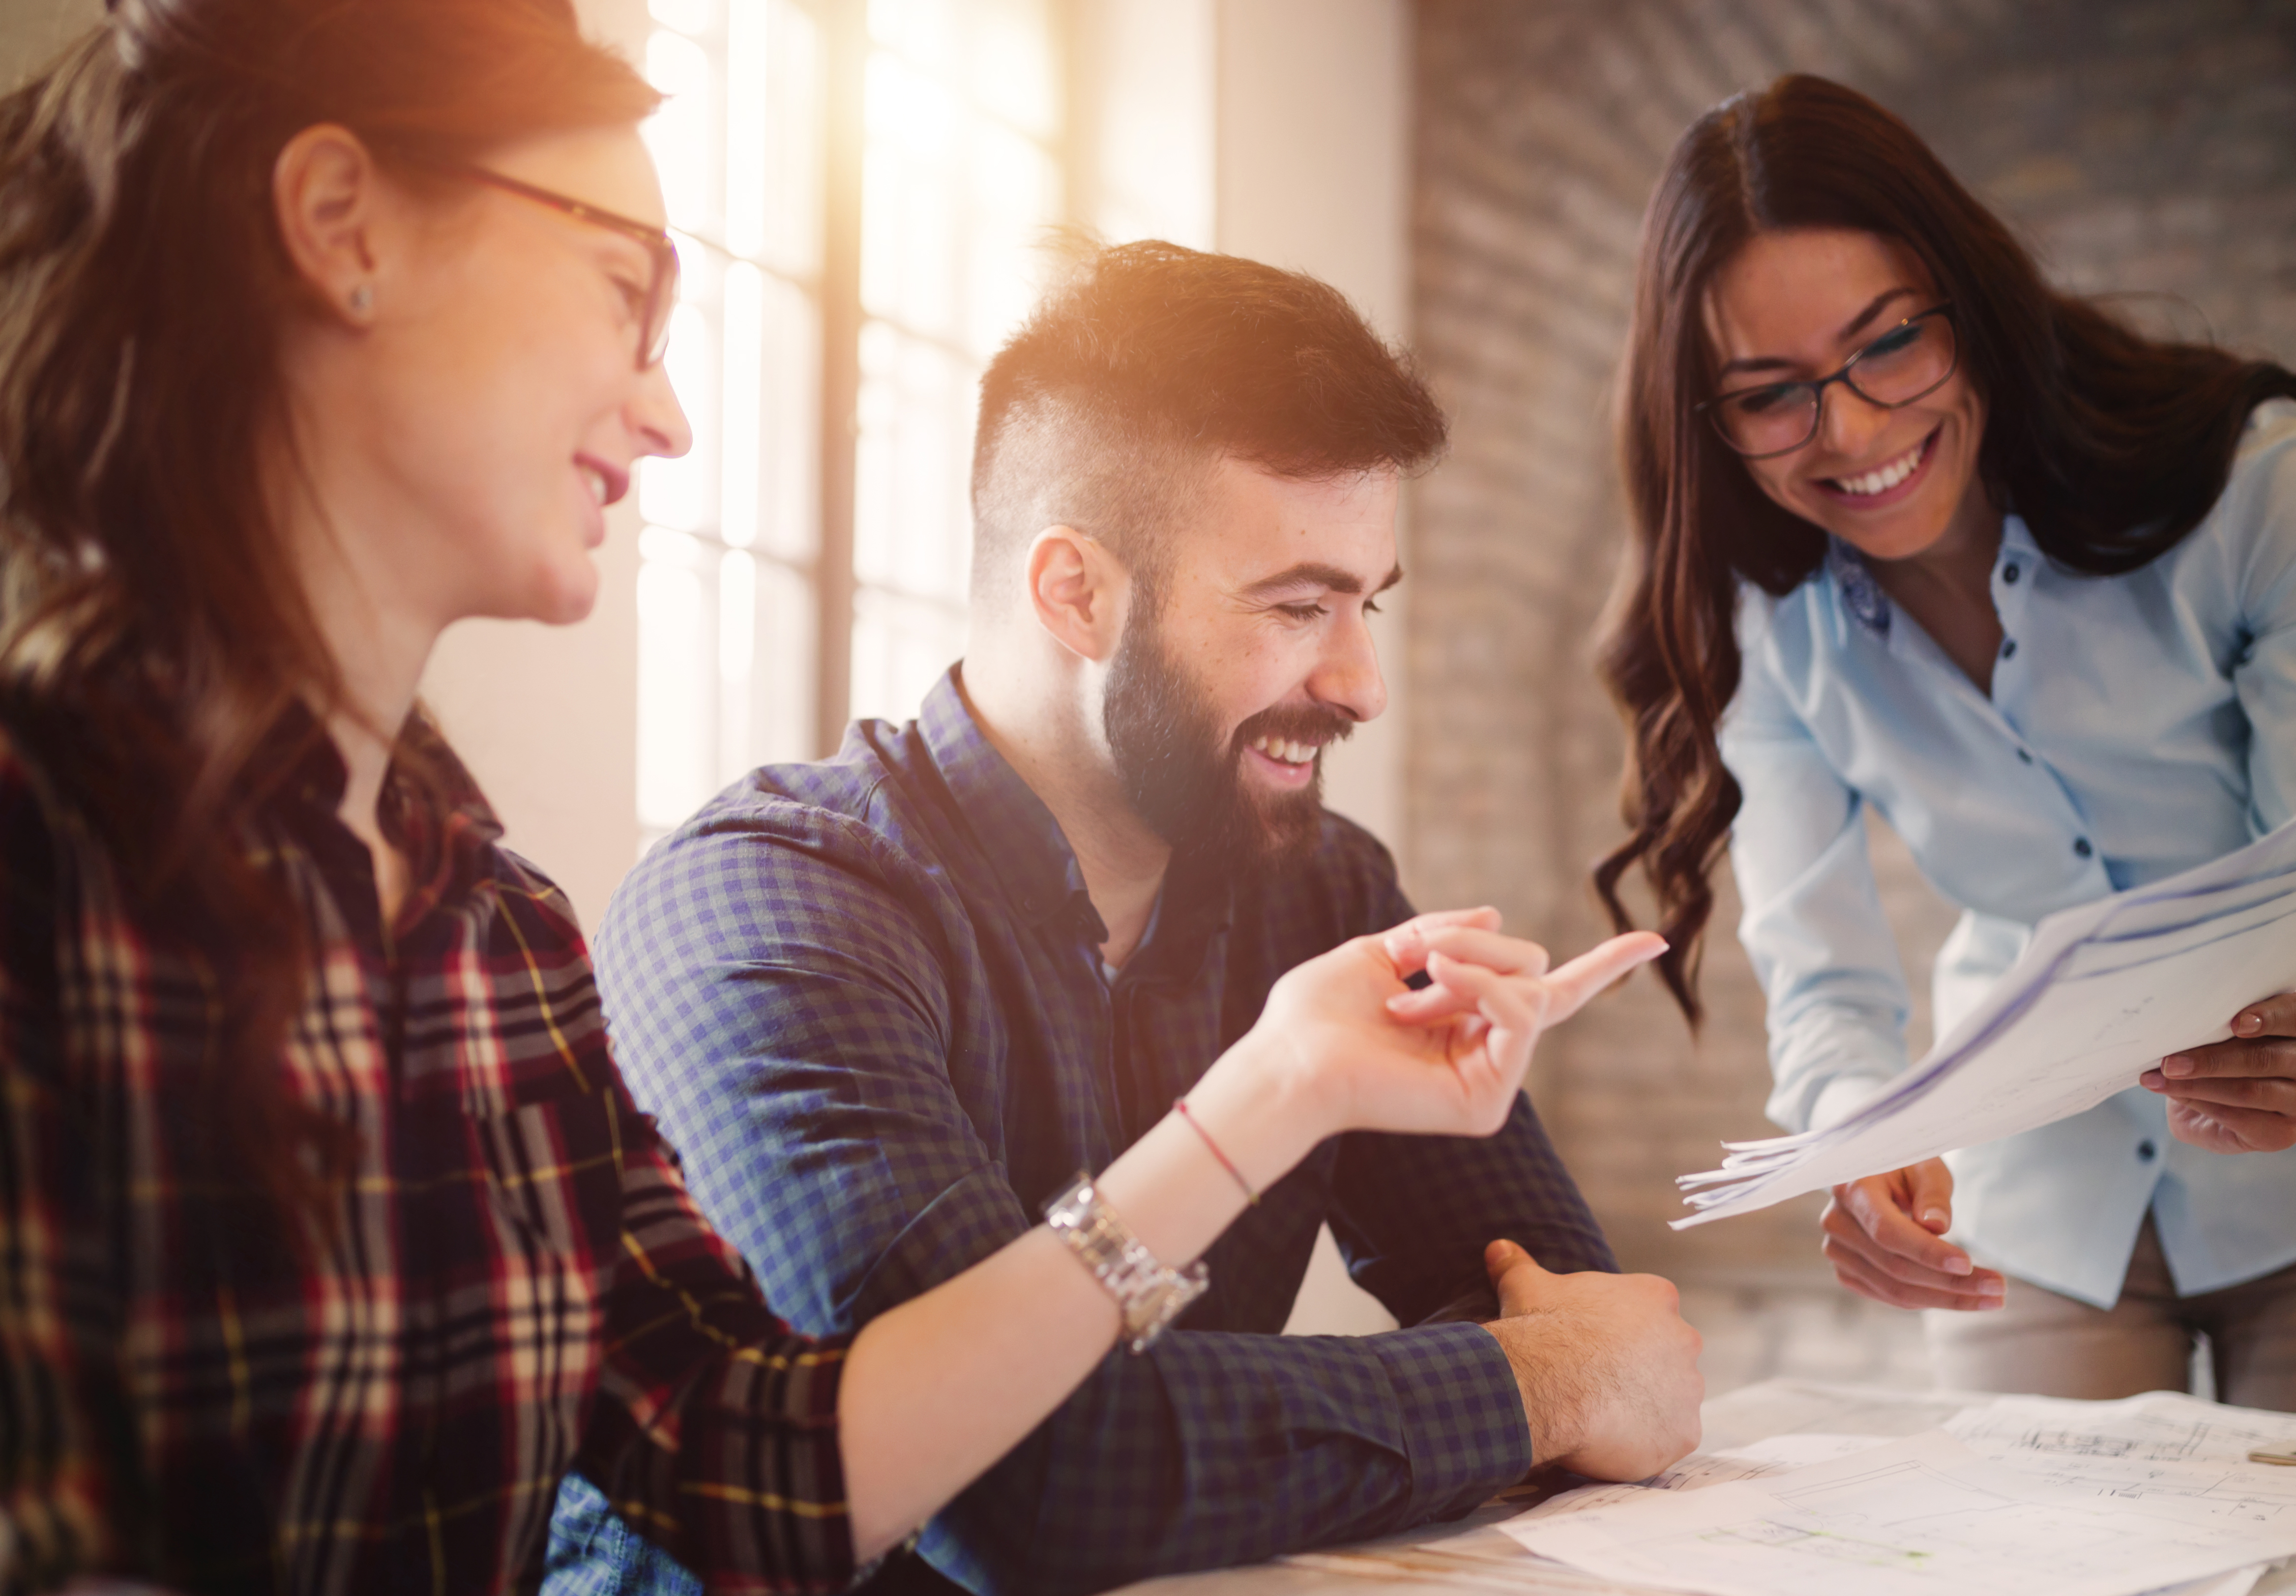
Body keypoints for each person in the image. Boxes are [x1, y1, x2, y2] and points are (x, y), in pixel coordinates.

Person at [0, 3, 1666, 1591]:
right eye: (624, 291)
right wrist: (1513, 1364)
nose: (667, 414)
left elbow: (764, 1453)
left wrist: (1280, 1099)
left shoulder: (484, 917)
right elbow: (1012, 1491)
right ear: (343, 226)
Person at [547, 240, 1709, 1596]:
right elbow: (1010, 1489)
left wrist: (1537, 1379)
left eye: (1368, 604)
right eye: (1297, 606)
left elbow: (1586, 1336)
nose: (1361, 683)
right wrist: (1524, 1392)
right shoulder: (765, 911)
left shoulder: (1324, 888)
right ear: (1075, 592)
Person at [1592, 75, 2296, 1417]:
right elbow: (1824, 975)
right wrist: (1858, 1139)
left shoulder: (2258, 487)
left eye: (1889, 344)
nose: (1851, 433)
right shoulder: (1768, 620)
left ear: (1970, 299)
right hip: (2036, 1185)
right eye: (1771, 395)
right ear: (1704, 419)